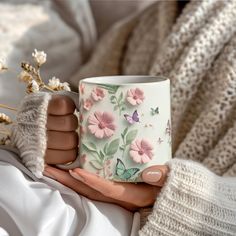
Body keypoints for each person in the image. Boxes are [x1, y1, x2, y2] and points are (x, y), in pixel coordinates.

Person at [3, 0, 236, 235]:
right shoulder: (144, 26)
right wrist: (44, 126)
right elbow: (76, 94)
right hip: (86, 200)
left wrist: (184, 200)